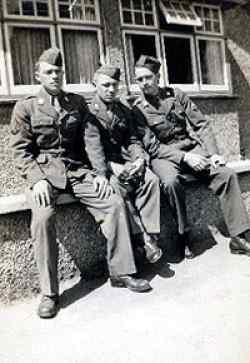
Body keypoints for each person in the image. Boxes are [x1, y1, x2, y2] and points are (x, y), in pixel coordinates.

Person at [10, 48, 152, 319]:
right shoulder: (25, 106)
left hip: (75, 170)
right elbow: (20, 151)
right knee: (43, 217)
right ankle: (50, 293)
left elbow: (89, 141)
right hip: (42, 173)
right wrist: (37, 179)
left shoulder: (76, 102)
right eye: (49, 72)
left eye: (58, 71)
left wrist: (99, 174)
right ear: (37, 75)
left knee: (112, 200)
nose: (55, 76)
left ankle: (121, 271)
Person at [132, 54, 250, 258]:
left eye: (147, 78)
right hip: (163, 155)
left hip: (191, 147)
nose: (143, 83)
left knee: (226, 174)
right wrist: (185, 158)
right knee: (170, 183)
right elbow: (152, 146)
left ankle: (239, 236)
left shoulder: (176, 95)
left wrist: (214, 154)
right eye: (139, 80)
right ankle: (183, 236)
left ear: (158, 77)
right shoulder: (137, 109)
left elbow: (201, 124)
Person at [84, 65, 162, 265]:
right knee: (117, 190)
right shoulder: (88, 111)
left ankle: (152, 235)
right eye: (106, 85)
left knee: (150, 179)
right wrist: (109, 167)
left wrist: (138, 160)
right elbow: (93, 148)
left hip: (125, 162)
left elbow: (133, 139)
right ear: (95, 85)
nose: (111, 89)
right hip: (101, 166)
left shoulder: (122, 109)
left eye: (114, 85)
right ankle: (141, 239)